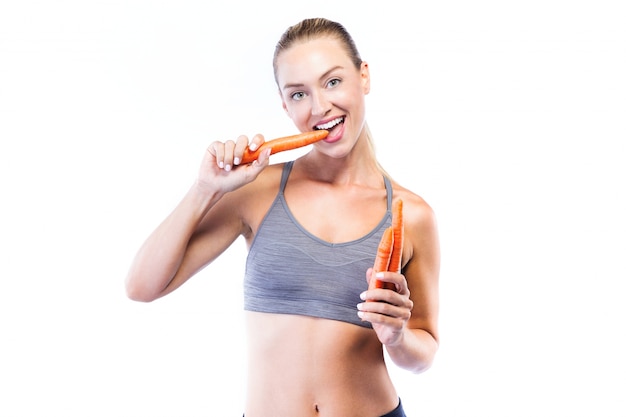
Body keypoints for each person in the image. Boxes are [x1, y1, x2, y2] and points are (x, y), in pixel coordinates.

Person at [125, 17, 440, 417]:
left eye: (332, 82)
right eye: (298, 94)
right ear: (283, 104)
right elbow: (141, 286)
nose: (319, 107)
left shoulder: (411, 215)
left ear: (364, 77)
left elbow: (424, 353)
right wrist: (204, 189)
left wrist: (395, 336)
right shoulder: (257, 190)